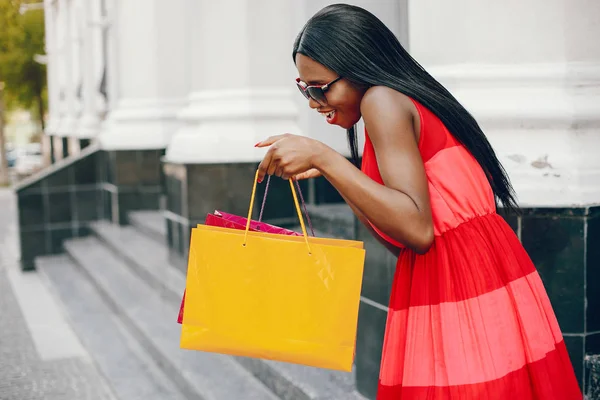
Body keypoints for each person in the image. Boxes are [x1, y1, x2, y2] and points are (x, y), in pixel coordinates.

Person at [255, 3, 582, 400]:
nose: (313, 101)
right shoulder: (405, 99)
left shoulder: (381, 101)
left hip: (456, 283)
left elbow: (417, 230)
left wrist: (323, 157)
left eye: (320, 87)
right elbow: (397, 236)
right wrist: (334, 169)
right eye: (304, 88)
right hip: (484, 273)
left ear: (359, 65)